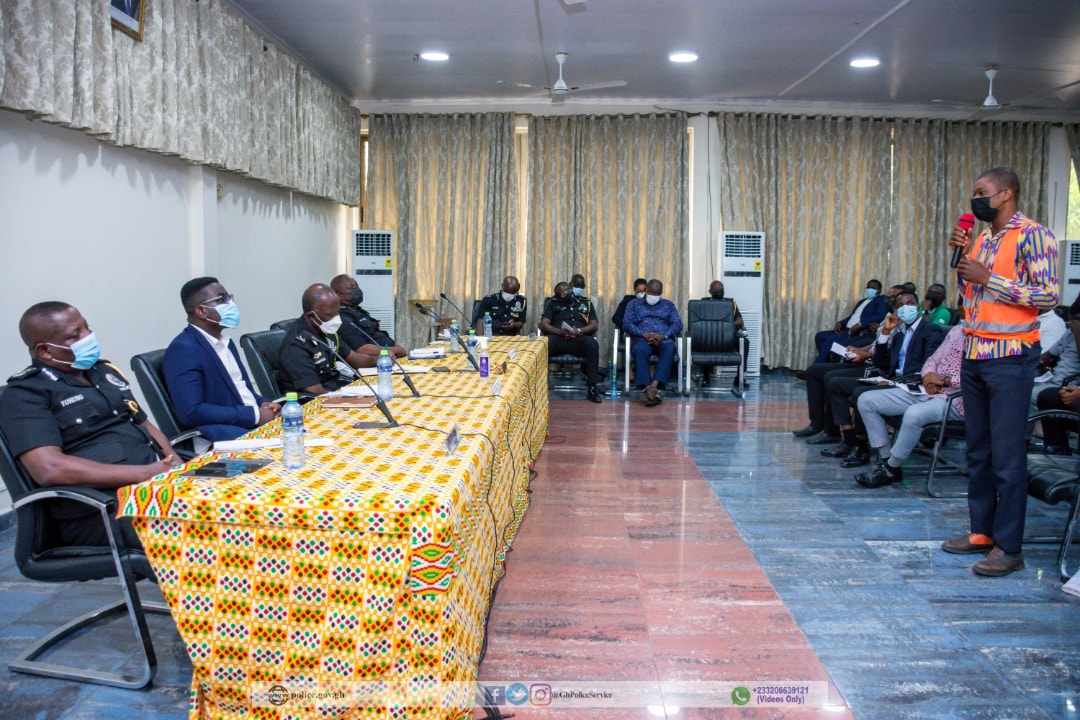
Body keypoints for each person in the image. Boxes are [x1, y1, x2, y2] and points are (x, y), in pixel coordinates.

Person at [942, 166, 1058, 577]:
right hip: (976, 352)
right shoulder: (986, 238)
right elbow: (972, 296)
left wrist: (990, 278)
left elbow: (1048, 295)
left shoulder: (1034, 235)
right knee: (979, 450)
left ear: (1006, 193)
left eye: (982, 192)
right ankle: (982, 532)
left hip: (1011, 357)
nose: (975, 199)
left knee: (1007, 457)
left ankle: (1009, 547)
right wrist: (965, 264)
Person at [0, 302, 177, 548]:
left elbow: (143, 423)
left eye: (87, 329)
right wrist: (146, 473)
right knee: (203, 528)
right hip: (100, 509)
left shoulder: (102, 372)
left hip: (154, 486)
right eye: (75, 335)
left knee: (234, 504)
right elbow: (49, 468)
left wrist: (176, 463)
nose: (88, 338)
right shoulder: (26, 394)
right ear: (44, 351)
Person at [818, 291, 945, 467]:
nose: (906, 308)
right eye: (900, 306)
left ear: (917, 306)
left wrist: (895, 382)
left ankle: (862, 447)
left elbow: (928, 366)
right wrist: (885, 333)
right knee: (835, 383)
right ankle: (849, 440)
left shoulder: (930, 331)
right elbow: (881, 363)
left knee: (860, 393)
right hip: (890, 378)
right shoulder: (899, 332)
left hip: (909, 385)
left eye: (910, 303)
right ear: (895, 310)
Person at [163, 277, 280, 442]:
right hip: (224, 437)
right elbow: (192, 412)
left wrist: (265, 404)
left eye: (229, 297)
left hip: (252, 426)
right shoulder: (184, 350)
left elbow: (242, 391)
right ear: (201, 311)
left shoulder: (226, 342)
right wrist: (254, 415)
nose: (230, 304)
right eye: (222, 299)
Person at [855, 324, 965, 487]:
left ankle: (891, 468)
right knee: (866, 400)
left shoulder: (989, 337)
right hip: (928, 390)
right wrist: (928, 377)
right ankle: (888, 463)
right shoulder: (957, 330)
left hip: (955, 400)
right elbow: (933, 359)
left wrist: (944, 381)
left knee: (914, 414)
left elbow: (981, 378)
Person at [278, 283, 381, 396]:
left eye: (337, 313)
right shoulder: (296, 345)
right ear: (311, 316)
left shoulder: (325, 329)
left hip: (336, 390)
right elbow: (314, 391)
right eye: (330, 315)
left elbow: (354, 358)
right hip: (314, 403)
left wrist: (378, 360)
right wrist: (349, 398)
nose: (336, 319)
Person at [623, 279, 683, 407]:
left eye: (657, 293)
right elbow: (627, 323)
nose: (653, 296)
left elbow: (678, 324)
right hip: (642, 338)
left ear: (661, 292)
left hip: (663, 339)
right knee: (640, 350)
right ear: (646, 291)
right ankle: (646, 386)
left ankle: (653, 386)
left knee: (670, 348)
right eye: (651, 292)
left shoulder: (668, 305)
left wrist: (663, 335)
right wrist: (643, 333)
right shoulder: (634, 304)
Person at [540, 281, 603, 403]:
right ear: (558, 297)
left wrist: (579, 331)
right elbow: (544, 324)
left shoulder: (586, 303)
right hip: (559, 338)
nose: (568, 293)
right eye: (563, 293)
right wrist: (558, 332)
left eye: (568, 289)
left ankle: (592, 388)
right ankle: (540, 387)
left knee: (592, 344)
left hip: (579, 338)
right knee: (544, 345)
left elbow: (594, 324)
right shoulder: (553, 304)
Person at [809, 279, 887, 365]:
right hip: (846, 329)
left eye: (873, 288)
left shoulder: (880, 300)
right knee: (820, 336)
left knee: (831, 340)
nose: (869, 289)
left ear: (879, 291)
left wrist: (860, 324)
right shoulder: (862, 301)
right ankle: (825, 364)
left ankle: (815, 367)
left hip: (856, 332)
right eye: (868, 287)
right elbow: (852, 317)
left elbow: (879, 316)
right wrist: (841, 323)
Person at [330, 274, 406, 359]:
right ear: (338, 295)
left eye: (356, 286)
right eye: (351, 288)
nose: (356, 290)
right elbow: (361, 349)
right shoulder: (343, 318)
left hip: (389, 357)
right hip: (374, 362)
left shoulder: (357, 310)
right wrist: (394, 350)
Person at [699, 280, 746, 388]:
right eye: (716, 290)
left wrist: (727, 326)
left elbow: (740, 321)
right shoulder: (704, 303)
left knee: (745, 342)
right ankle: (706, 377)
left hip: (728, 337)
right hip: (711, 335)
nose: (720, 291)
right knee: (704, 340)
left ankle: (740, 377)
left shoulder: (731, 303)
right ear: (710, 291)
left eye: (721, 289)